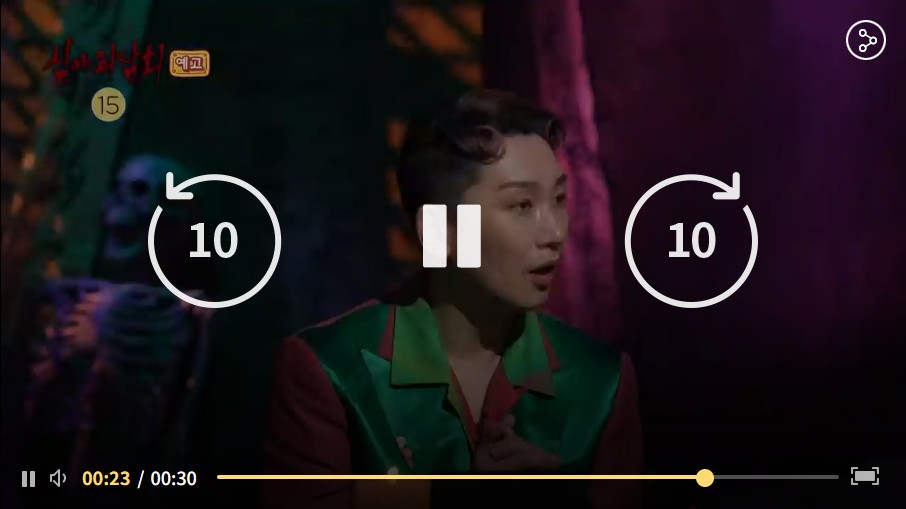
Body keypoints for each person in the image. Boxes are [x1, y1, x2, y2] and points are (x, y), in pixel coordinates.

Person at [264, 89, 642, 509]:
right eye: (521, 205)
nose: (554, 232)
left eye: (558, 199)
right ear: (439, 231)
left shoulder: (601, 383)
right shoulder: (330, 370)